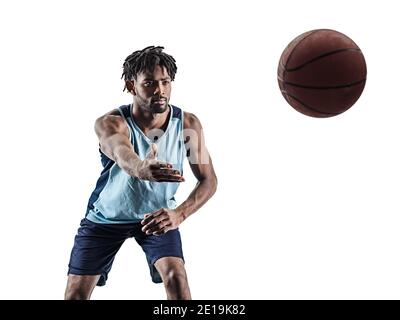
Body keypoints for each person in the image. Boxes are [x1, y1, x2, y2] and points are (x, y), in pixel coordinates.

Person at [65, 46, 217, 300]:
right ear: (131, 85)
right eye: (149, 83)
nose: (160, 90)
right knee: (75, 294)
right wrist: (140, 168)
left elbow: (209, 179)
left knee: (176, 278)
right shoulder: (111, 123)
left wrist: (179, 214)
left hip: (156, 217)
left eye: (165, 82)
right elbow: (120, 151)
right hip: (106, 219)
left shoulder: (187, 125)